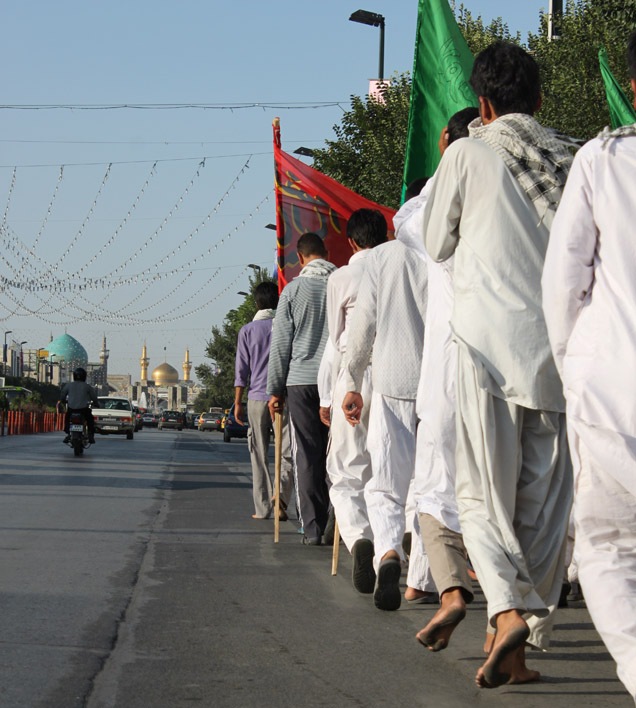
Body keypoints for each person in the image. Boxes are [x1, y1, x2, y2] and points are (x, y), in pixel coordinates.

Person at [422, 42, 574, 688]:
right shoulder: (574, 156)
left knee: (481, 496)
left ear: (481, 105)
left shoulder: (467, 153)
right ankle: (516, 644)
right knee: (543, 506)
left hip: (484, 347)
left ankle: (505, 609)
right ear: (540, 100)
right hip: (556, 356)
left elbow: (435, 242)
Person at [541, 31, 636, 701]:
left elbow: (563, 279)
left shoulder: (604, 162)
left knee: (605, 545)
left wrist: (570, 362)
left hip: (610, 389)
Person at [393, 107, 480, 653]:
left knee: (434, 484)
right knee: (506, 495)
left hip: (449, 369)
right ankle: (512, 623)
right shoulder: (525, 191)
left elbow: (407, 222)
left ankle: (436, 585)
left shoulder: (432, 219)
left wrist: (449, 163)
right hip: (515, 368)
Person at [341, 207, 435, 612]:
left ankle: (388, 553)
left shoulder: (384, 256)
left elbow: (362, 326)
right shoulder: (444, 251)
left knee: (385, 483)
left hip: (392, 381)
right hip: (438, 384)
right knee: (430, 486)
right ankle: (422, 581)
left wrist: (351, 381)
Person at [317, 208, 388, 593]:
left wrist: (327, 394)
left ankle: (360, 537)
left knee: (345, 471)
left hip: (354, 374)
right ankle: (386, 552)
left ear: (351, 241)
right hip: (395, 375)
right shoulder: (400, 268)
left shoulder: (342, 277)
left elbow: (336, 339)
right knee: (388, 467)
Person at [267, 233, 336, 545]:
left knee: (306, 454)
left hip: (301, 381)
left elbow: (281, 344)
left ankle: (313, 527)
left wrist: (275, 390)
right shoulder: (343, 283)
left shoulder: (293, 291)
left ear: (301, 257)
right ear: (324, 252)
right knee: (336, 454)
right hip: (337, 380)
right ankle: (341, 521)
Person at [234, 281, 294, 521]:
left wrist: (237, 402)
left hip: (257, 399)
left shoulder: (247, 331)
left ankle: (263, 508)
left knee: (259, 453)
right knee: (286, 451)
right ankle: (280, 498)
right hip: (283, 396)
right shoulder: (286, 327)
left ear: (257, 302)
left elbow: (242, 370)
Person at [60, 367, 99, 444]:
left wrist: (63, 401)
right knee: (90, 419)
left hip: (71, 409)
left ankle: (67, 432)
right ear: (84, 376)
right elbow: (94, 397)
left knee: (67, 418)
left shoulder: (69, 385)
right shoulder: (87, 386)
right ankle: (91, 435)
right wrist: (96, 403)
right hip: (83, 409)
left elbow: (63, 394)